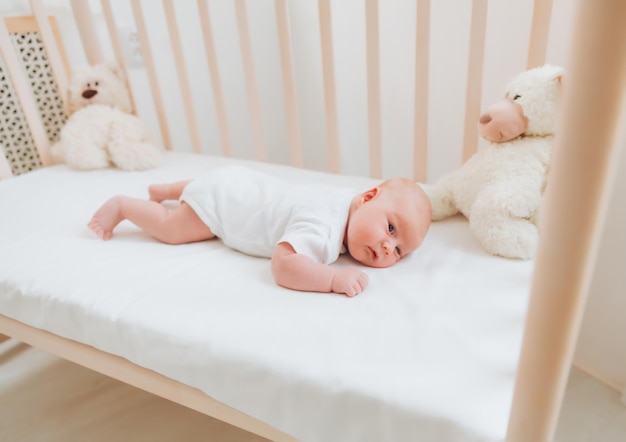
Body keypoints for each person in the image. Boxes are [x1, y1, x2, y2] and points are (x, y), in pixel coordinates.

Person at [88, 165, 431, 297]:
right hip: (222, 206)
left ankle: (166, 190)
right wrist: (333, 280)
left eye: (399, 251)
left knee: (209, 184)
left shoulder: (347, 202)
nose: (388, 248)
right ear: (368, 197)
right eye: (390, 229)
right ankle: (124, 206)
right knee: (171, 228)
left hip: (236, 180)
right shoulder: (323, 230)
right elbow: (283, 265)